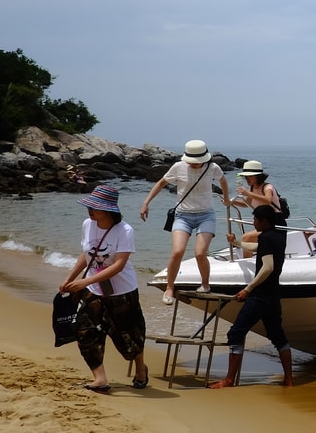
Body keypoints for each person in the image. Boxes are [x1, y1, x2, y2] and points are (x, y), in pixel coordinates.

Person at [60, 185, 149, 394]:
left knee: (130, 336)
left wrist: (81, 283)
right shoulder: (87, 224)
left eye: (94, 207)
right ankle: (100, 379)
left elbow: (118, 266)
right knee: (84, 331)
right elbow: (86, 254)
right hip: (93, 290)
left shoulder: (124, 231)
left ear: (109, 210)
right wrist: (70, 278)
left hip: (122, 292)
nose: (89, 211)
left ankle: (140, 369)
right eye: (89, 206)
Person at [208, 204, 293, 388]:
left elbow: (268, 267)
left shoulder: (267, 238)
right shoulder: (278, 236)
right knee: (279, 338)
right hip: (273, 296)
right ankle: (289, 379)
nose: (253, 222)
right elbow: (258, 247)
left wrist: (248, 289)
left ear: (264, 221)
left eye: (255, 219)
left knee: (236, 334)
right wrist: (236, 243)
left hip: (260, 296)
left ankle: (229, 380)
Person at [140, 139, 229, 305]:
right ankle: (169, 287)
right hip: (183, 216)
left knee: (200, 253)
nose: (195, 165)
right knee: (177, 252)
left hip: (206, 215)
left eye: (198, 162)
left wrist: (226, 200)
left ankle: (205, 284)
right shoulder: (178, 167)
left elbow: (223, 181)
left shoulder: (212, 168)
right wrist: (146, 203)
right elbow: (161, 183)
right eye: (192, 162)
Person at [232, 160, 282, 257]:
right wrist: (231, 202)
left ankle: (246, 261)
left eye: (250, 177)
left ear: (258, 176)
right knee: (248, 238)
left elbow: (267, 200)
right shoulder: (252, 188)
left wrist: (248, 193)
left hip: (275, 222)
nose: (247, 180)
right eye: (246, 177)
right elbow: (246, 204)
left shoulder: (267, 187)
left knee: (246, 237)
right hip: (263, 222)